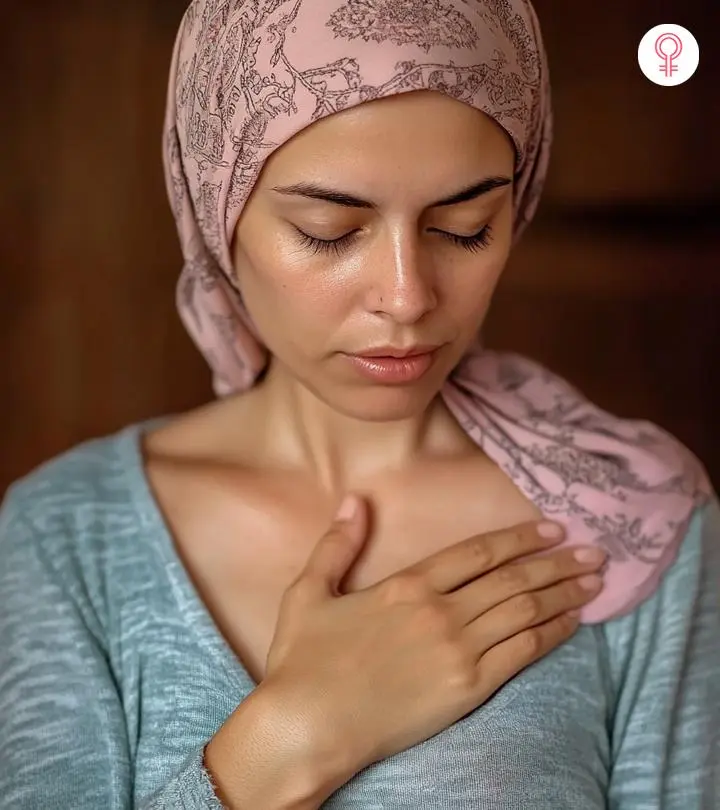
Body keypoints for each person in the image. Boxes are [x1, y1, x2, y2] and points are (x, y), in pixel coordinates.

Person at [0, 1, 717, 808]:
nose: (407, 299)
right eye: (330, 231)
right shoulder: (66, 534)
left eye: (466, 226)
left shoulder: (631, 512)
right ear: (215, 211)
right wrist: (295, 737)